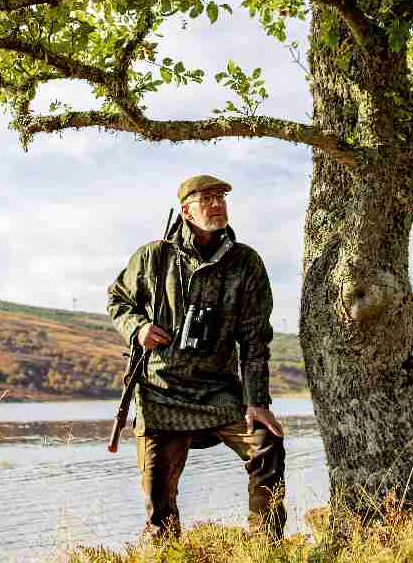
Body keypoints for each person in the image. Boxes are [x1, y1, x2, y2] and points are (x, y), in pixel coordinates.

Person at [107, 174, 286, 541]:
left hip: (219, 390)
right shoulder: (153, 257)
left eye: (221, 197)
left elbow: (255, 340)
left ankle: (266, 551)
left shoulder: (245, 262)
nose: (218, 204)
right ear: (187, 210)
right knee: (159, 505)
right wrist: (138, 328)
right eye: (208, 198)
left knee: (266, 443)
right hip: (161, 391)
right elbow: (117, 300)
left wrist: (257, 402)